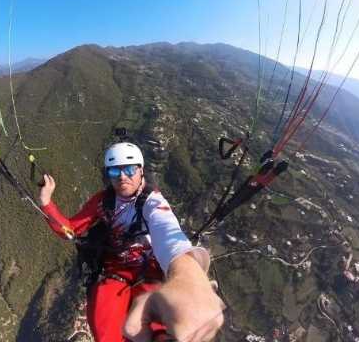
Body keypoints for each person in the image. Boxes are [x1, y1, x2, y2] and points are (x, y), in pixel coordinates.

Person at [39, 141, 225, 342]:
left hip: (150, 270)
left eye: (129, 169)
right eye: (114, 172)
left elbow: (168, 232)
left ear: (141, 171)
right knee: (105, 328)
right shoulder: (104, 201)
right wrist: (46, 202)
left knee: (159, 329)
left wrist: (186, 271)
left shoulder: (153, 202)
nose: (122, 177)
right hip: (116, 270)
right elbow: (70, 230)